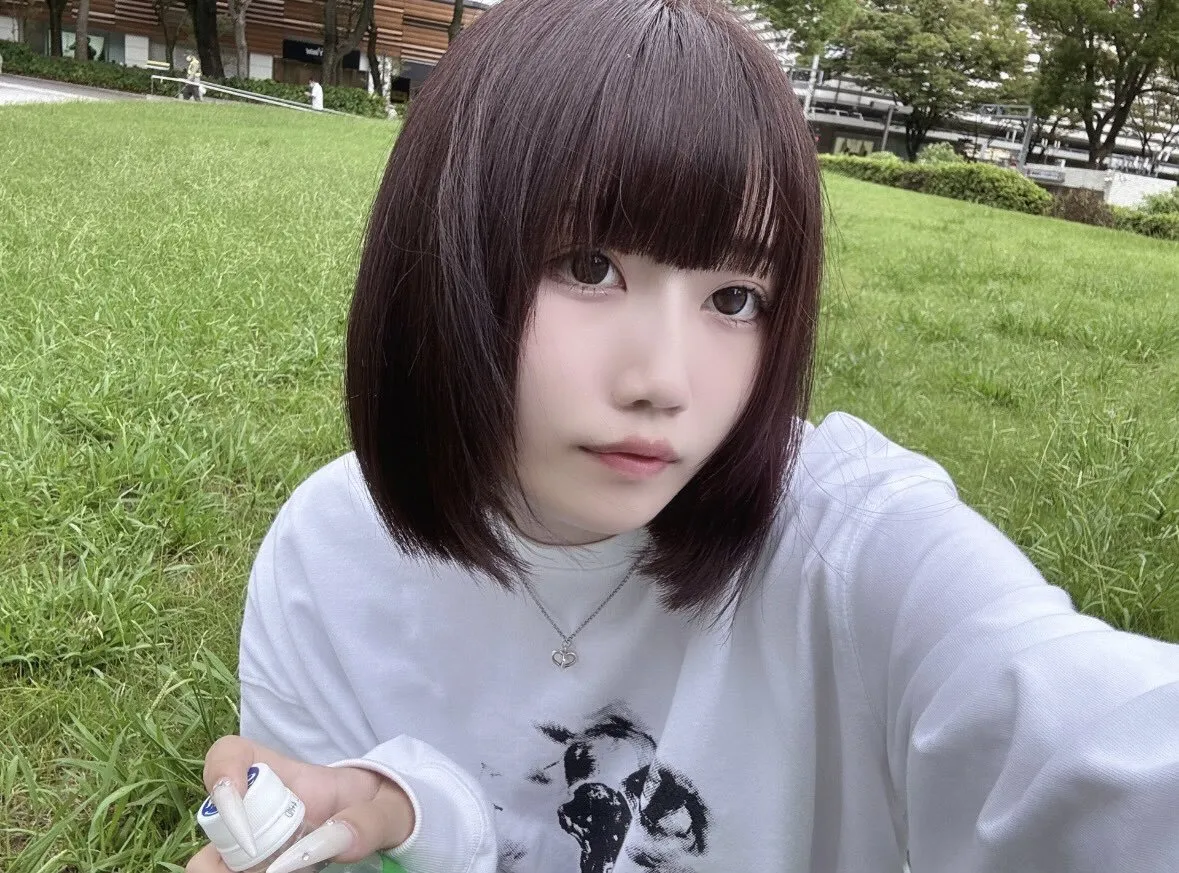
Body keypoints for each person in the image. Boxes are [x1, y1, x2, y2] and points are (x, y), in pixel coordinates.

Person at [184, 1, 1179, 872]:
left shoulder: (850, 546)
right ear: (445, 250)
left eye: (735, 297)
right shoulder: (329, 558)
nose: (663, 382)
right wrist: (404, 817)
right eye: (587, 267)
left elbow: (1086, 740)